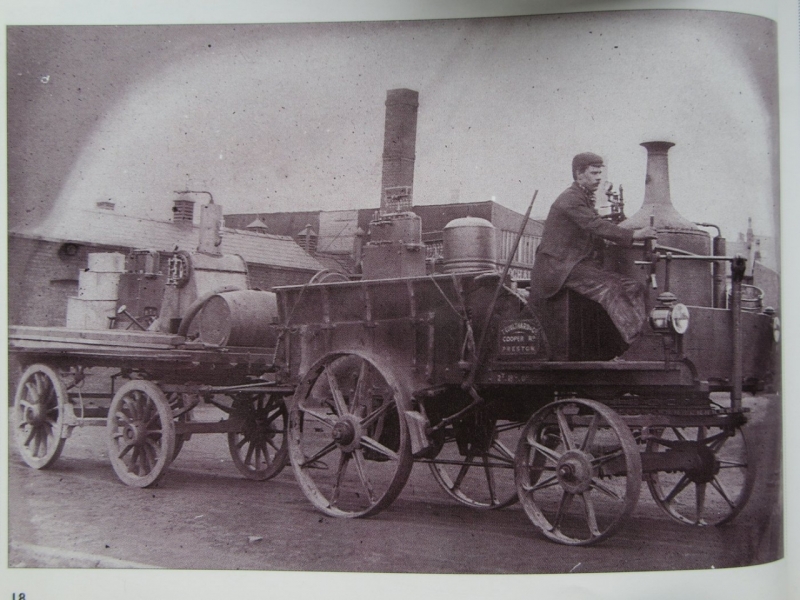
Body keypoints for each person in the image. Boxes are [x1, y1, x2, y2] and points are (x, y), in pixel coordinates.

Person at [530, 152, 656, 350]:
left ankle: (646, 339)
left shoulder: (584, 198)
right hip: (560, 268)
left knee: (634, 286)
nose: (599, 177)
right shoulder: (570, 199)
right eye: (594, 173)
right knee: (611, 287)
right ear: (579, 174)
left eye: (600, 173)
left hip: (575, 265)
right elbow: (594, 225)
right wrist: (635, 235)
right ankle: (639, 347)